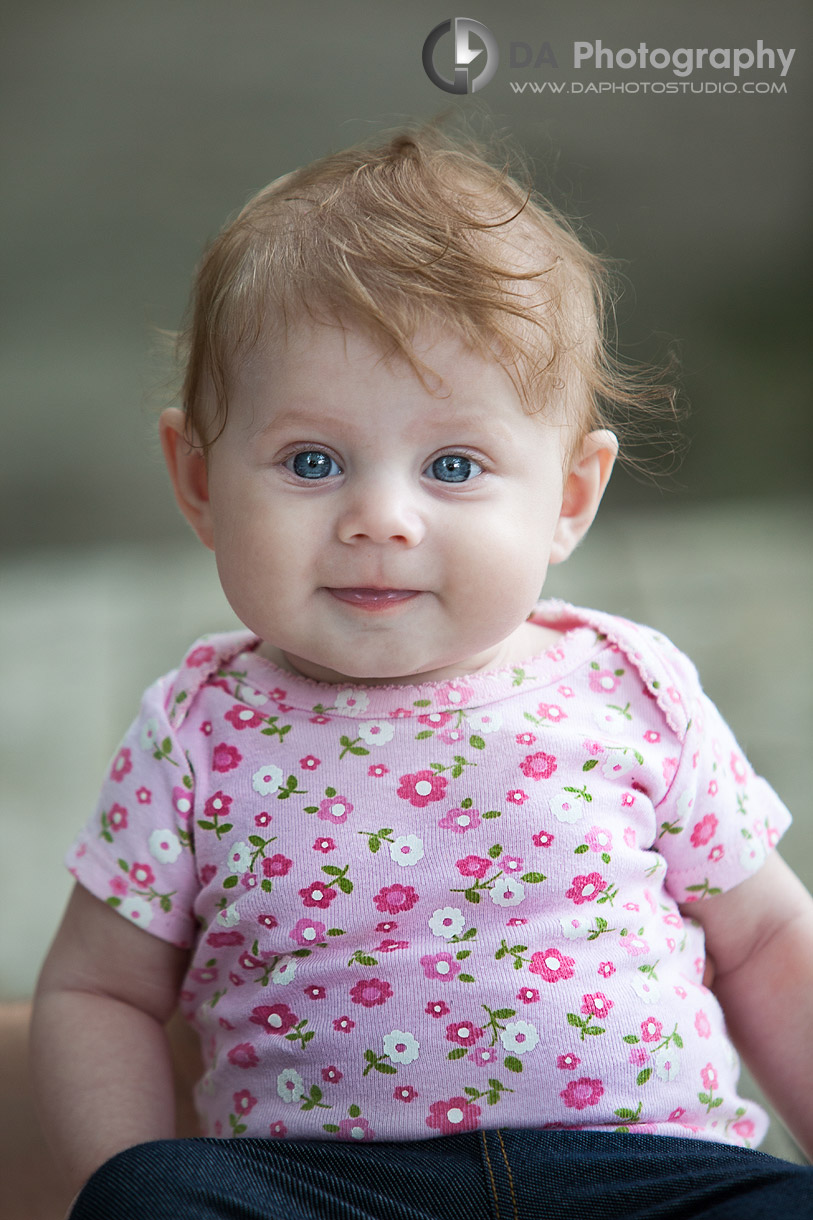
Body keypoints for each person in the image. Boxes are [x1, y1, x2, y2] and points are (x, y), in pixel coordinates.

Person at [30, 128, 813, 1219]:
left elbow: (771, 936)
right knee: (155, 1196)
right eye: (313, 461)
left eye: (453, 466)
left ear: (570, 497)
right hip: (323, 1189)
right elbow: (98, 988)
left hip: (646, 1179)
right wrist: (120, 1174)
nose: (381, 519)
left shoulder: (632, 685)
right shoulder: (199, 730)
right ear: (199, 479)